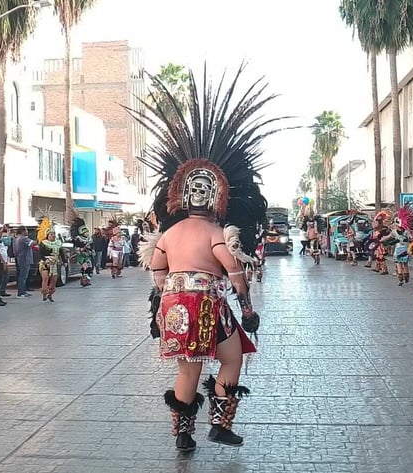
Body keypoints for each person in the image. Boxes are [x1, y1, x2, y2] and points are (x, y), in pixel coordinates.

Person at [132, 66, 268, 451]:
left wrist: (163, 297)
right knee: (232, 356)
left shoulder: (170, 234)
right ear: (217, 199)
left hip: (175, 304)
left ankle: (182, 434)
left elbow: (157, 267)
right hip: (206, 304)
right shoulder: (216, 234)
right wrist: (246, 308)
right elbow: (235, 273)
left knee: (188, 368)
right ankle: (220, 423)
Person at [37, 217, 62, 302]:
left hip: (54, 263)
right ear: (47, 235)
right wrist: (45, 260)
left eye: (54, 234)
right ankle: (44, 293)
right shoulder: (43, 243)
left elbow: (61, 252)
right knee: (45, 279)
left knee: (54, 280)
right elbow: (40, 254)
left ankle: (50, 294)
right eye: (51, 234)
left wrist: (65, 261)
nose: (53, 236)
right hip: (45, 263)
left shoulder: (58, 243)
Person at [13, 226, 34, 298]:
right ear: (23, 231)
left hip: (20, 258)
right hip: (25, 259)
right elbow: (32, 243)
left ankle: (23, 291)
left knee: (22, 276)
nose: (27, 232)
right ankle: (21, 292)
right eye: (26, 230)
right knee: (23, 276)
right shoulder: (23, 238)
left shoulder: (16, 239)